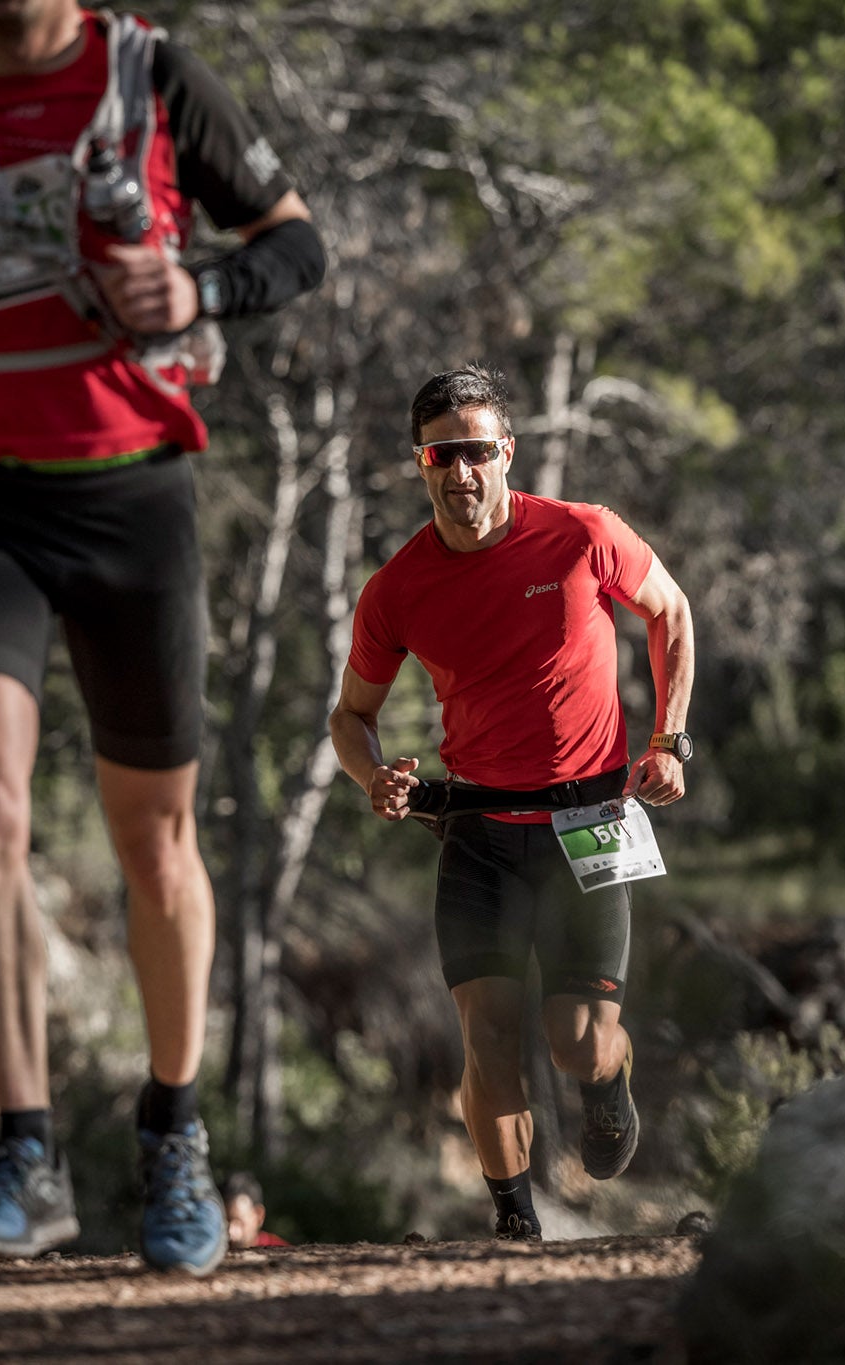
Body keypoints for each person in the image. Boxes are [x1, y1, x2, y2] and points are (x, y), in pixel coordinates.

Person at [0, 0, 325, 1275]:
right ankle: (24, 1150)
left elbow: (295, 247)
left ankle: (172, 1133)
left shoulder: (160, 81)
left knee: (153, 839)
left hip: (133, 492)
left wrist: (201, 281)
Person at [328, 365, 695, 1241]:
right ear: (421, 463)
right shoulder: (399, 589)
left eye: (476, 452)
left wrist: (669, 738)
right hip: (480, 833)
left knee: (573, 1037)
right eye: (440, 454)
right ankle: (514, 1221)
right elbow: (351, 716)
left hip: (590, 824)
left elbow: (670, 611)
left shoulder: (580, 535)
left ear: (507, 454)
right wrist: (370, 775)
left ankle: (609, 1079)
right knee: (487, 1034)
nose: (461, 472)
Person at [222, 1172, 288, 1250]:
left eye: (238, 1222)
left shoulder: (282, 1252)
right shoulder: (210, 1250)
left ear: (259, 1215)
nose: (230, 1232)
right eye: (224, 1222)